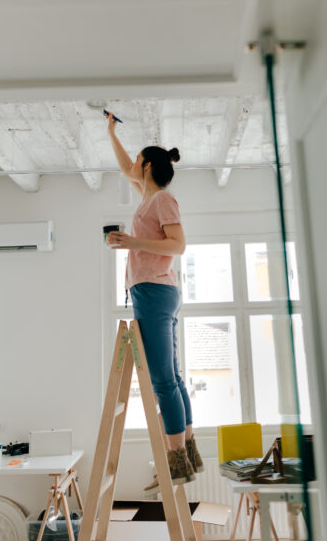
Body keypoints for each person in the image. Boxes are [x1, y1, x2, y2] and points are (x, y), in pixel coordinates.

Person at [104, 110, 203, 487]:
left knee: (163, 380)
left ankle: (176, 462)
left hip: (155, 290)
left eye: (138, 164)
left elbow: (178, 245)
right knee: (171, 377)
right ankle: (187, 454)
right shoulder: (147, 198)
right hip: (154, 290)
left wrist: (131, 242)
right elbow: (126, 165)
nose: (133, 167)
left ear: (147, 167)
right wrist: (110, 131)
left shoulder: (162, 201)